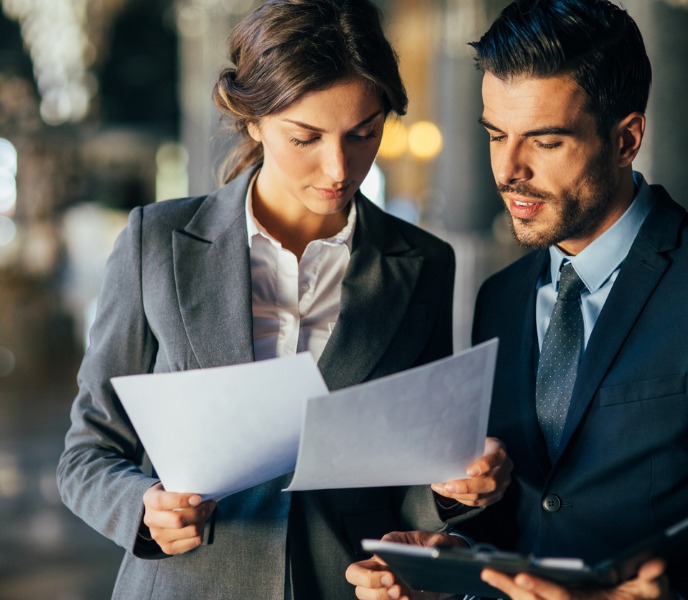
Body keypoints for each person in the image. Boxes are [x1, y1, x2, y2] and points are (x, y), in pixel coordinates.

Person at [56, 1, 512, 598]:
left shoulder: (421, 263)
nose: (337, 167)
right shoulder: (158, 243)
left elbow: (410, 471)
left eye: (364, 133)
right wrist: (142, 507)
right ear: (251, 120)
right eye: (306, 137)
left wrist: (451, 488)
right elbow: (89, 454)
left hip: (342, 585)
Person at [346, 1, 688, 599]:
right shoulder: (500, 299)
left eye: (546, 141)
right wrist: (454, 556)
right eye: (496, 135)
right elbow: (526, 514)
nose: (509, 170)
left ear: (625, 139)